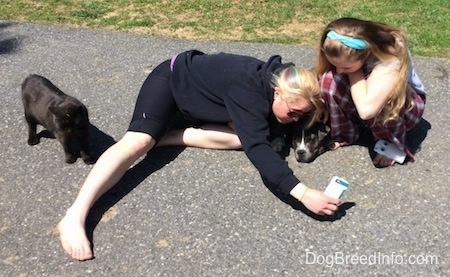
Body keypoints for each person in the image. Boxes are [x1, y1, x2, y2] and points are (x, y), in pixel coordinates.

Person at [57, 50, 341, 261]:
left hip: (206, 102)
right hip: (171, 83)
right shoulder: (250, 92)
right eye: (293, 113)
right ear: (277, 91)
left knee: (252, 134)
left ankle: (172, 136)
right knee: (138, 143)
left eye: (300, 115)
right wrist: (302, 193)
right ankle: (75, 214)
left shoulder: (290, 79)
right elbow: (258, 152)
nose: (294, 119)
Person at [316, 17, 426, 167]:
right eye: (336, 64)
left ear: (367, 53)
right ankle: (345, 132)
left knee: (387, 101)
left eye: (346, 67)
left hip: (406, 106)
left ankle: (389, 142)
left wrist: (354, 73)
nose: (339, 70)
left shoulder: (390, 58)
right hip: (365, 92)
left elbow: (367, 110)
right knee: (329, 80)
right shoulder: (347, 51)